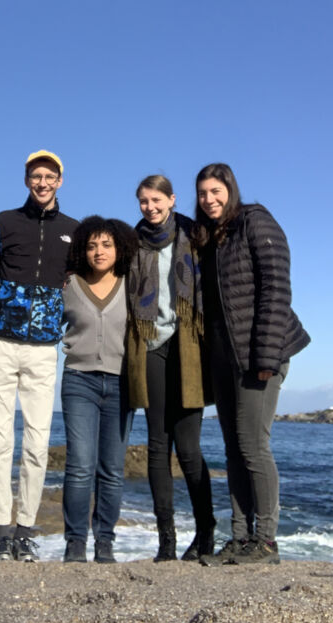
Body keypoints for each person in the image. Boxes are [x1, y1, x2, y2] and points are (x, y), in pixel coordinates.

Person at [192, 163, 310, 566]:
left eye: (216, 191)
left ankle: (267, 541)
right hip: (225, 359)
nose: (209, 199)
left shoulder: (255, 222)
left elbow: (277, 291)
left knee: (253, 447)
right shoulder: (212, 237)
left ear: (230, 190)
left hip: (260, 356)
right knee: (233, 448)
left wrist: (265, 356)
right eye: (203, 193)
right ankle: (240, 538)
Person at [0, 150, 78, 562]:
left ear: (60, 181)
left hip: (43, 349)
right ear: (26, 181)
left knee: (37, 445)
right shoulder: (4, 222)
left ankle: (25, 530)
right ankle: (1, 529)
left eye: (49, 176)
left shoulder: (74, 230)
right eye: (36, 176)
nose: (42, 183)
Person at [127, 175, 216, 563]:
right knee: (157, 447)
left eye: (157, 199)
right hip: (150, 345)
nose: (150, 207)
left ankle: (206, 533)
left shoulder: (194, 234)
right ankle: (166, 540)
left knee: (190, 449)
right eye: (144, 201)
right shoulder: (132, 241)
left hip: (188, 346)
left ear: (172, 200)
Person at [61, 216, 137, 564]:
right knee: (79, 465)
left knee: (111, 469)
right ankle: (75, 542)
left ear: (119, 248)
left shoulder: (131, 285)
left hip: (122, 383)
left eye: (106, 244)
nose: (99, 251)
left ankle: (104, 541)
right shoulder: (70, 284)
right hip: (79, 381)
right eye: (92, 245)